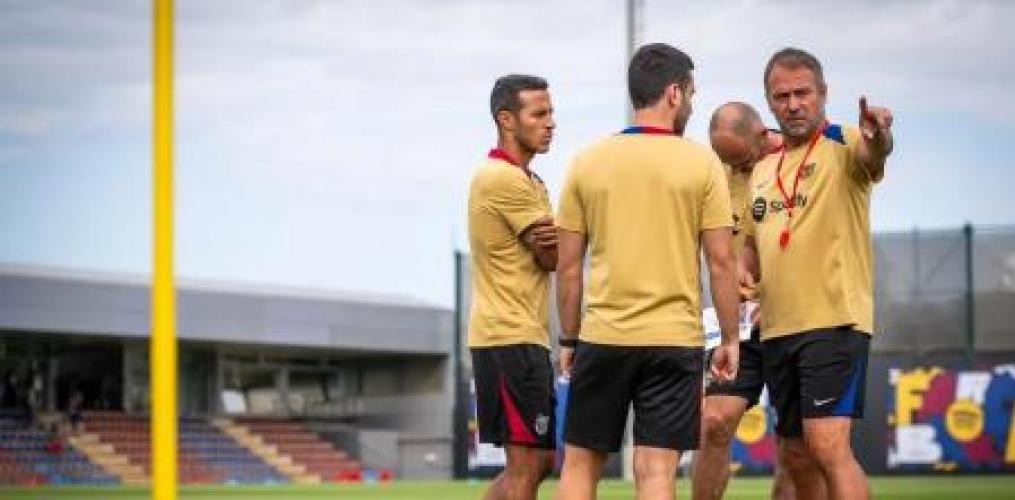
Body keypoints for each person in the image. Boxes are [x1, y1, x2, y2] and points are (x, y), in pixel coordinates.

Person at [555, 43, 741, 500]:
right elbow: (721, 261)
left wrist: (569, 340)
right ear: (674, 93)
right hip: (673, 341)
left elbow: (568, 266)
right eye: (691, 94)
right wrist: (730, 338)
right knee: (656, 471)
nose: (691, 104)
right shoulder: (702, 163)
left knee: (580, 466)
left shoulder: (586, 161)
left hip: (604, 336)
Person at [741, 47, 893, 500]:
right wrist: (744, 274)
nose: (793, 104)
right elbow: (751, 243)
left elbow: (875, 154)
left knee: (827, 445)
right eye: (781, 96)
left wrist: (880, 135)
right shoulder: (762, 170)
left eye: (802, 93)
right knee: (796, 455)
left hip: (835, 321)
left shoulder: (845, 143)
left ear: (823, 93)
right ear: (769, 102)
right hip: (776, 330)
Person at [692, 102, 825, 500]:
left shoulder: (806, 162)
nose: (738, 169)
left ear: (763, 135)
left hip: (798, 318)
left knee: (795, 445)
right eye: (728, 162)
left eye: (743, 160)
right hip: (738, 323)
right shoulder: (715, 174)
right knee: (714, 422)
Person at [467, 74, 558, 500]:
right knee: (526, 466)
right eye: (539, 114)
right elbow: (552, 257)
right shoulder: (501, 178)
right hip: (507, 335)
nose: (551, 123)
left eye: (551, 112)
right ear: (506, 119)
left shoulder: (531, 181)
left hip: (524, 335)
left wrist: (562, 237)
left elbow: (552, 249)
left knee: (539, 462)